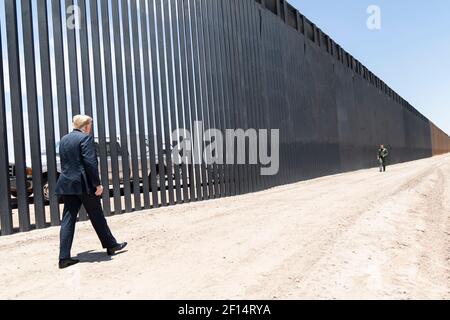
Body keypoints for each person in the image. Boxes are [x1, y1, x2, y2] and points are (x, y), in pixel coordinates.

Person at [55, 115, 127, 269]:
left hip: (67, 184)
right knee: (97, 216)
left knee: (68, 219)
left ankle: (64, 258)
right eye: (90, 125)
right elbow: (90, 163)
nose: (90, 128)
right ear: (86, 126)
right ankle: (111, 245)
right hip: (84, 185)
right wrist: (97, 184)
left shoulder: (64, 139)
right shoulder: (85, 139)